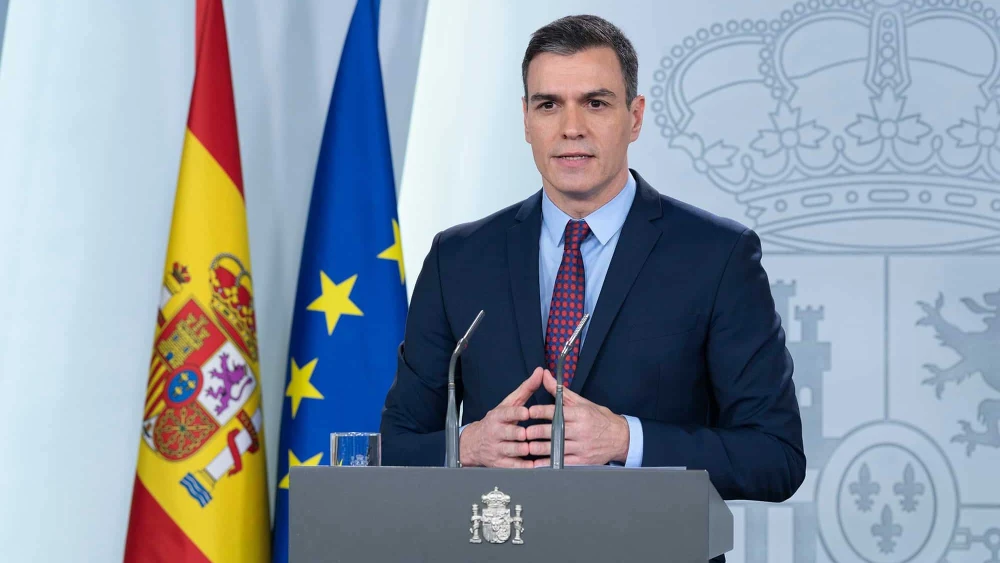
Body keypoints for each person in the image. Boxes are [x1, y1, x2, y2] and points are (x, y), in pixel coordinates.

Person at [380, 14, 805, 507]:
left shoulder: (718, 257)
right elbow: (396, 448)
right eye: (548, 105)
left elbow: (775, 457)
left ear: (636, 116)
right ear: (525, 119)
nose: (571, 128)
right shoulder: (457, 259)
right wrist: (467, 447)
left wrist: (627, 440)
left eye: (596, 103)